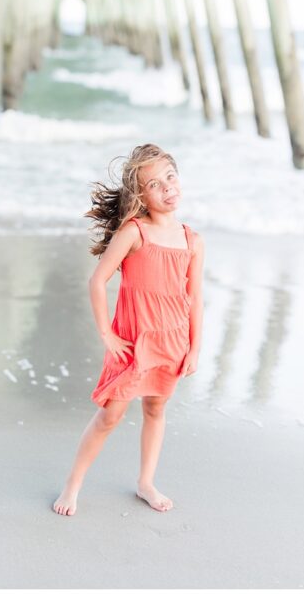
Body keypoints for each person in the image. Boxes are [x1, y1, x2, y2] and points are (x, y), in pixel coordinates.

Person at [53, 144, 204, 517]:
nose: (167, 187)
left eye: (170, 177)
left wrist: (195, 348)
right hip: (134, 343)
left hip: (172, 339)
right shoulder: (135, 232)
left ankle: (146, 482)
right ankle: (72, 485)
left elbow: (195, 298)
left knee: (156, 408)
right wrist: (106, 333)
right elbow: (97, 280)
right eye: (154, 184)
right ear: (141, 195)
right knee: (110, 415)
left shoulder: (192, 240)